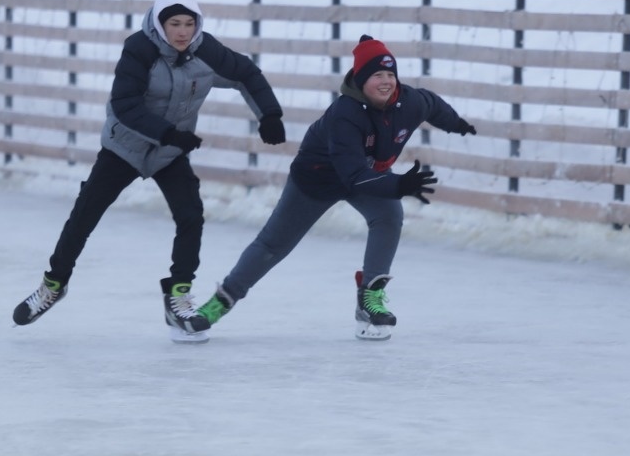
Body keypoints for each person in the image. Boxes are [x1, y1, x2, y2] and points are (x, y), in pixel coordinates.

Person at [12, 0, 286, 343]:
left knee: (190, 214)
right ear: (159, 23)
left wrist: (269, 114)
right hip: (125, 147)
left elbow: (246, 73)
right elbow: (124, 104)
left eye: (189, 23)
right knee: (85, 214)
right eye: (174, 23)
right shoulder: (139, 50)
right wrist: (169, 133)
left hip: (170, 153)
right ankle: (54, 284)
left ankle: (178, 294)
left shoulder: (206, 49)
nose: (183, 32)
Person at [195, 34, 477, 340]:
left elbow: (433, 105)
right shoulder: (345, 114)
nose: (386, 82)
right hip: (319, 180)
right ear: (360, 79)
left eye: (390, 74)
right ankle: (221, 301)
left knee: (388, 218)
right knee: (273, 245)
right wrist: (398, 184)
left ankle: (370, 298)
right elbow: (353, 174)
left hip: (366, 175)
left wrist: (457, 124)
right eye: (377, 75)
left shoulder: (409, 102)